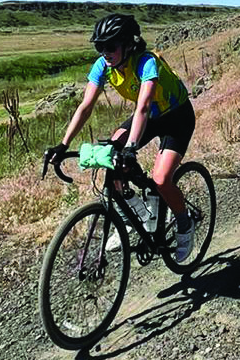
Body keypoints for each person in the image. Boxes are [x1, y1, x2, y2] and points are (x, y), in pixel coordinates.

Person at [45, 13, 197, 262]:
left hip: (176, 117)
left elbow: (144, 106)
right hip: (149, 117)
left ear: (128, 44)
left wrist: (132, 148)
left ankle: (184, 222)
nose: (105, 52)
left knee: (160, 179)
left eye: (111, 46)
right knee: (111, 155)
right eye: (100, 46)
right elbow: (85, 107)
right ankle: (130, 218)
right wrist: (63, 144)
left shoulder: (146, 62)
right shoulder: (103, 66)